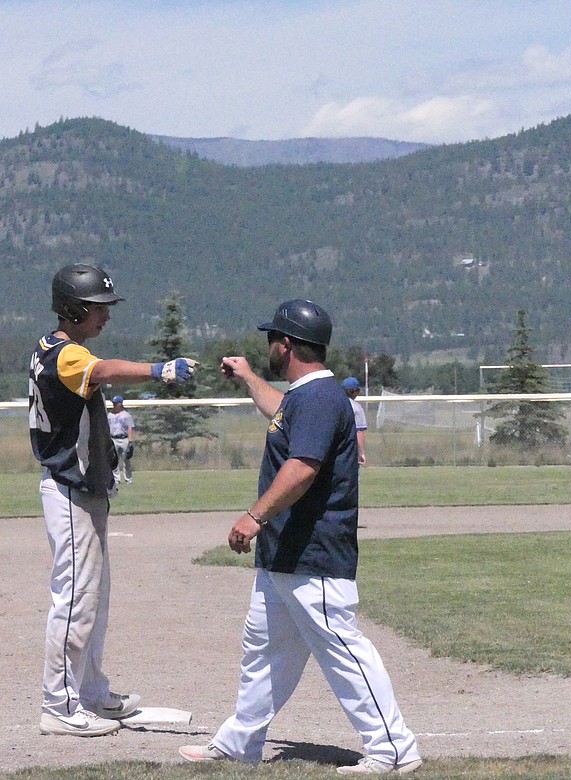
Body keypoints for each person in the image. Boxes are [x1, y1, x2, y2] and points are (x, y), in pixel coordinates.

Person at [180, 299, 422, 775]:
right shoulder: (306, 397)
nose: (269, 345)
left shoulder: (319, 398)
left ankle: (394, 747)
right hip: (285, 556)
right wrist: (251, 378)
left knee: (342, 649)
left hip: (314, 554)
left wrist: (255, 516)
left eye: (273, 339)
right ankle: (240, 743)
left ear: (286, 345)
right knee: (264, 652)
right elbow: (281, 415)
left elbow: (302, 467)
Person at [28, 263, 197, 737]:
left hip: (84, 490)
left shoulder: (57, 349)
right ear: (75, 308)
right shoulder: (66, 354)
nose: (106, 316)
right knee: (76, 598)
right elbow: (101, 371)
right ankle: (59, 706)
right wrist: (158, 370)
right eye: (99, 308)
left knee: (94, 598)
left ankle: (91, 693)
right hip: (70, 491)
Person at [107, 395, 135, 484]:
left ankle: (128, 479)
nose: (114, 405)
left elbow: (130, 428)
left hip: (123, 439)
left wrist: (130, 441)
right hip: (113, 438)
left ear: (120, 404)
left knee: (126, 460)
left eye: (116, 403)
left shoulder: (126, 415)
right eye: (113, 403)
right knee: (114, 460)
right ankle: (116, 479)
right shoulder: (110, 415)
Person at [342, 376, 368, 465]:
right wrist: (362, 453)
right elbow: (359, 431)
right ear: (355, 391)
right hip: (349, 450)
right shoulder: (356, 408)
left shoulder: (333, 405)